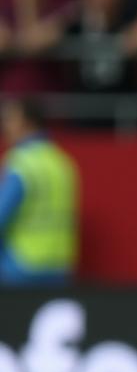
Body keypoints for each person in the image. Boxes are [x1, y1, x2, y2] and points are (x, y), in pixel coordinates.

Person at [0, 97, 78, 286]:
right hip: (60, 266)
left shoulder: (20, 162)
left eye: (10, 119)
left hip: (19, 267)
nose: (5, 126)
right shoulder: (62, 162)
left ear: (29, 122)